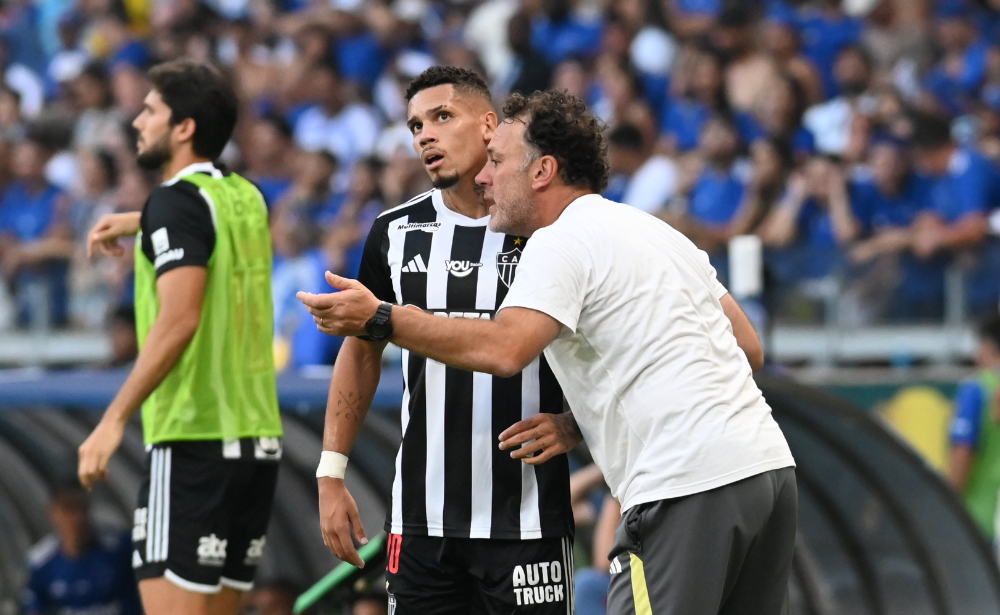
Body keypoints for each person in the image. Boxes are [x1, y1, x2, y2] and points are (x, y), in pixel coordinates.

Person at [300, 89, 797, 615]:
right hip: (766, 471)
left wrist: (382, 316)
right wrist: (579, 423)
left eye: (497, 161)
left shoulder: (557, 242)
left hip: (683, 484)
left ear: (542, 171)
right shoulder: (651, 228)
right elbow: (747, 346)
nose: (486, 178)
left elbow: (506, 348)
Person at [313, 67, 576, 614]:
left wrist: (578, 423)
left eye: (441, 117)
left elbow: (610, 346)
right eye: (414, 126)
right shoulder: (395, 230)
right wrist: (330, 472)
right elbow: (361, 348)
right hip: (420, 523)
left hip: (527, 520)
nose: (425, 135)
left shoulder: (553, 231)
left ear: (489, 126)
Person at [76, 59, 283, 615]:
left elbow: (180, 318)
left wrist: (113, 418)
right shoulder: (247, 197)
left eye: (150, 110)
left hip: (194, 441)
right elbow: (205, 228)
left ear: (184, 127)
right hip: (256, 443)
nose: (137, 121)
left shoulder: (175, 203)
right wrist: (141, 218)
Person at [23, 481, 143, 615]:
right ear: (52, 512)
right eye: (68, 508)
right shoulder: (40, 562)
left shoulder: (119, 548)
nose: (76, 518)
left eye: (81, 507)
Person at [949, 315, 1000, 540]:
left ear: (989, 346)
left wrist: (946, 505)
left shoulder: (977, 389)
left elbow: (963, 453)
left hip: (978, 520)